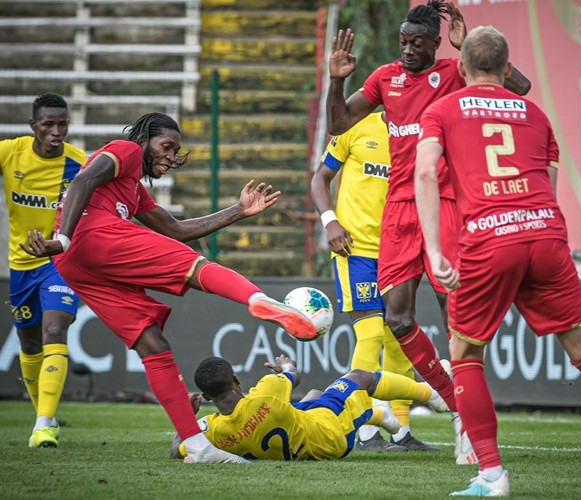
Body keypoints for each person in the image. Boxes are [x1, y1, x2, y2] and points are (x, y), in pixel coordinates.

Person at [415, 25, 581, 497]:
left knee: (465, 354)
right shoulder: (536, 114)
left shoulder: (443, 109)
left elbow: (425, 172)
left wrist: (436, 250)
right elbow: (548, 185)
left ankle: (492, 476)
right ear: (508, 69)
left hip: (489, 239)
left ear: (461, 68)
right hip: (545, 233)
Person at [20, 112, 318, 464]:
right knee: (193, 266)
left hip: (74, 265)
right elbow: (83, 180)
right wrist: (64, 237)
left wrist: (237, 212)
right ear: (144, 139)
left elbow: (175, 229)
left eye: (175, 150)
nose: (171, 155)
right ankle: (257, 299)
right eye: (166, 146)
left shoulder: (132, 190)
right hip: (87, 237)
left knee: (152, 344)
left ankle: (195, 444)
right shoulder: (127, 149)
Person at [326, 0, 529, 464]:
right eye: (403, 42)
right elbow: (338, 123)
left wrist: (466, 47)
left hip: (444, 204)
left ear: (436, 44)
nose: (408, 50)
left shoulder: (455, 72)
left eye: (418, 43)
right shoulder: (385, 78)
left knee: (454, 314)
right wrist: (337, 80)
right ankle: (455, 403)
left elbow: (519, 88)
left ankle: (468, 418)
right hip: (399, 210)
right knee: (397, 319)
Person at [310, 111, 440, 452]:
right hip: (355, 249)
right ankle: (365, 428)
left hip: (399, 250)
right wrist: (330, 222)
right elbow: (319, 178)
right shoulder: (355, 126)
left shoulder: (424, 134)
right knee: (370, 335)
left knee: (399, 337)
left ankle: (401, 430)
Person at [0, 94, 86, 448]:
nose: (56, 131)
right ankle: (45, 417)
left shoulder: (78, 164)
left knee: (54, 329)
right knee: (30, 343)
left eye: (62, 124)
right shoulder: (11, 152)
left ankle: (41, 427)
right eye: (48, 124)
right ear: (33, 126)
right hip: (21, 264)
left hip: (60, 262)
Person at [170, 354, 450, 461]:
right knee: (358, 377)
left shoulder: (212, 431)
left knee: (314, 396)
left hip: (299, 432)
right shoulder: (266, 391)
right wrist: (285, 365)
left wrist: (187, 417)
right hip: (329, 436)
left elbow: (177, 450)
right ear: (235, 380)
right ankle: (431, 395)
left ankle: (379, 415)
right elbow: (294, 374)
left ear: (206, 397)